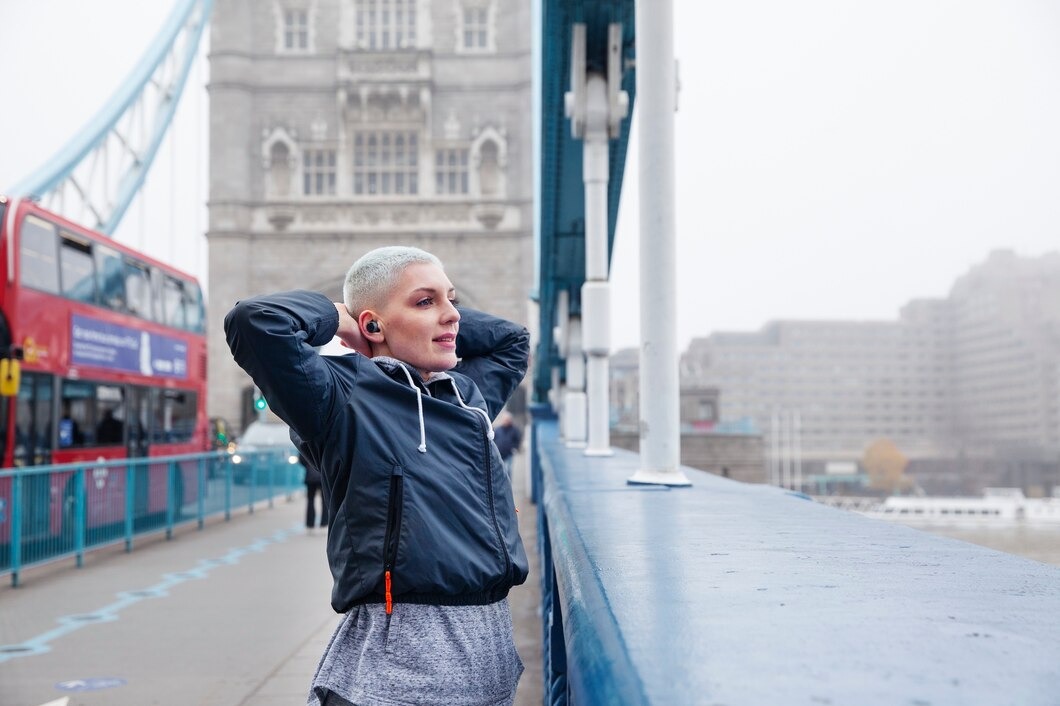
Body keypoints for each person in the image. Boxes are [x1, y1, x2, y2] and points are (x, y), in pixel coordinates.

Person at [225, 246, 529, 706]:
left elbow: (511, 341)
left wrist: (433, 320)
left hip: (491, 661)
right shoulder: (343, 397)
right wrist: (342, 317)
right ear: (372, 323)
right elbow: (256, 321)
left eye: (453, 301)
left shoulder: (466, 398)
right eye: (425, 302)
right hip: (399, 672)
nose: (452, 317)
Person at [301, 451, 328, 533]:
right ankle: (324, 524)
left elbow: (301, 459)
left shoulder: (306, 440)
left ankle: (310, 525)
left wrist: (309, 466)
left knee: (310, 500)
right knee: (325, 501)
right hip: (323, 476)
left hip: (310, 476)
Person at [492, 410, 522, 477]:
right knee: (500, 470)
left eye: (507, 419)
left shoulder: (514, 430)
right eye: (505, 419)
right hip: (499, 453)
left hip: (509, 453)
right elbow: (494, 440)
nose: (506, 421)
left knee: (508, 469)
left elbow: (517, 440)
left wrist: (514, 448)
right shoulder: (497, 429)